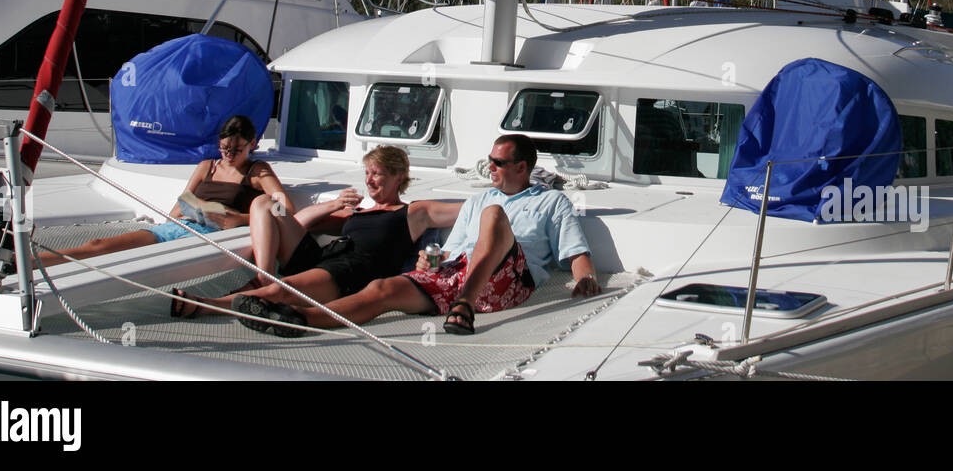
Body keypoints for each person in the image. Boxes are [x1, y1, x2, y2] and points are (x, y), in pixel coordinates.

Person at [234, 134, 600, 338]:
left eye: (497, 163)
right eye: (489, 159)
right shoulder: (478, 198)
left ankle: (464, 307)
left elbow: (575, 252)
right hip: (456, 272)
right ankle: (297, 319)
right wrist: (431, 260)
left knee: (494, 215)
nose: (489, 167)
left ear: (522, 168)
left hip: (505, 281)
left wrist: (586, 278)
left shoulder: (552, 202)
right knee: (383, 289)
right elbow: (453, 247)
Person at [170, 144, 461, 319]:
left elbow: (468, 208)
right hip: (324, 258)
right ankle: (263, 274)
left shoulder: (412, 213)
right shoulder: (357, 213)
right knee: (264, 203)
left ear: (398, 177)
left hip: (354, 271)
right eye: (368, 173)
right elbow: (300, 222)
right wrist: (334, 203)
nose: (370, 181)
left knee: (282, 292)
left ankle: (207, 306)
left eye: (378, 174)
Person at [40, 115, 288, 267]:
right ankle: (25, 263)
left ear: (252, 144)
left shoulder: (257, 172)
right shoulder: (207, 167)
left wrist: (241, 220)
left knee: (138, 259)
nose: (229, 155)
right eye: (224, 148)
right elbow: (183, 201)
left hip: (211, 235)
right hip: (182, 225)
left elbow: (283, 208)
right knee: (98, 244)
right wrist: (171, 219)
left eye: (237, 150)